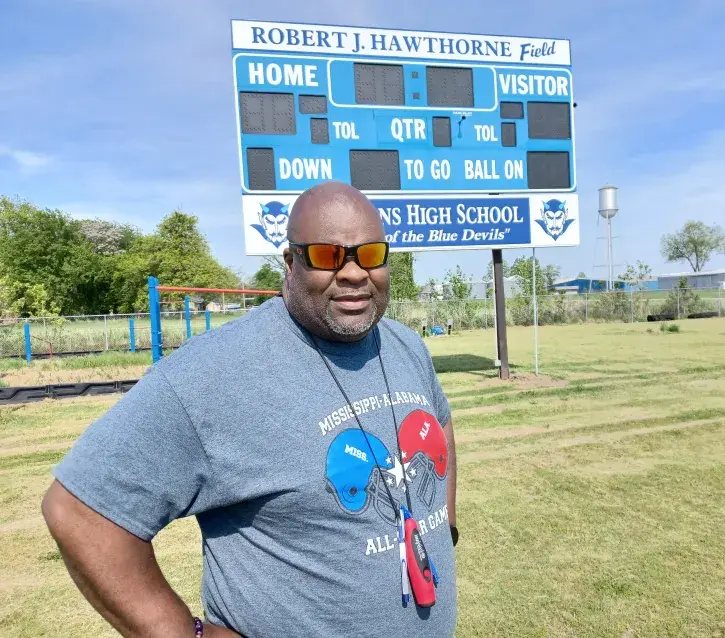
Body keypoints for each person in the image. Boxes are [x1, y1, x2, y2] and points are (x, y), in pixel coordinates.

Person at [41, 182, 458, 637]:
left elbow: (438, 423)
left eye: (371, 254)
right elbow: (79, 512)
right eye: (327, 256)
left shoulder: (404, 345)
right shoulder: (211, 373)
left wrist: (444, 527)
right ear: (290, 263)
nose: (355, 273)